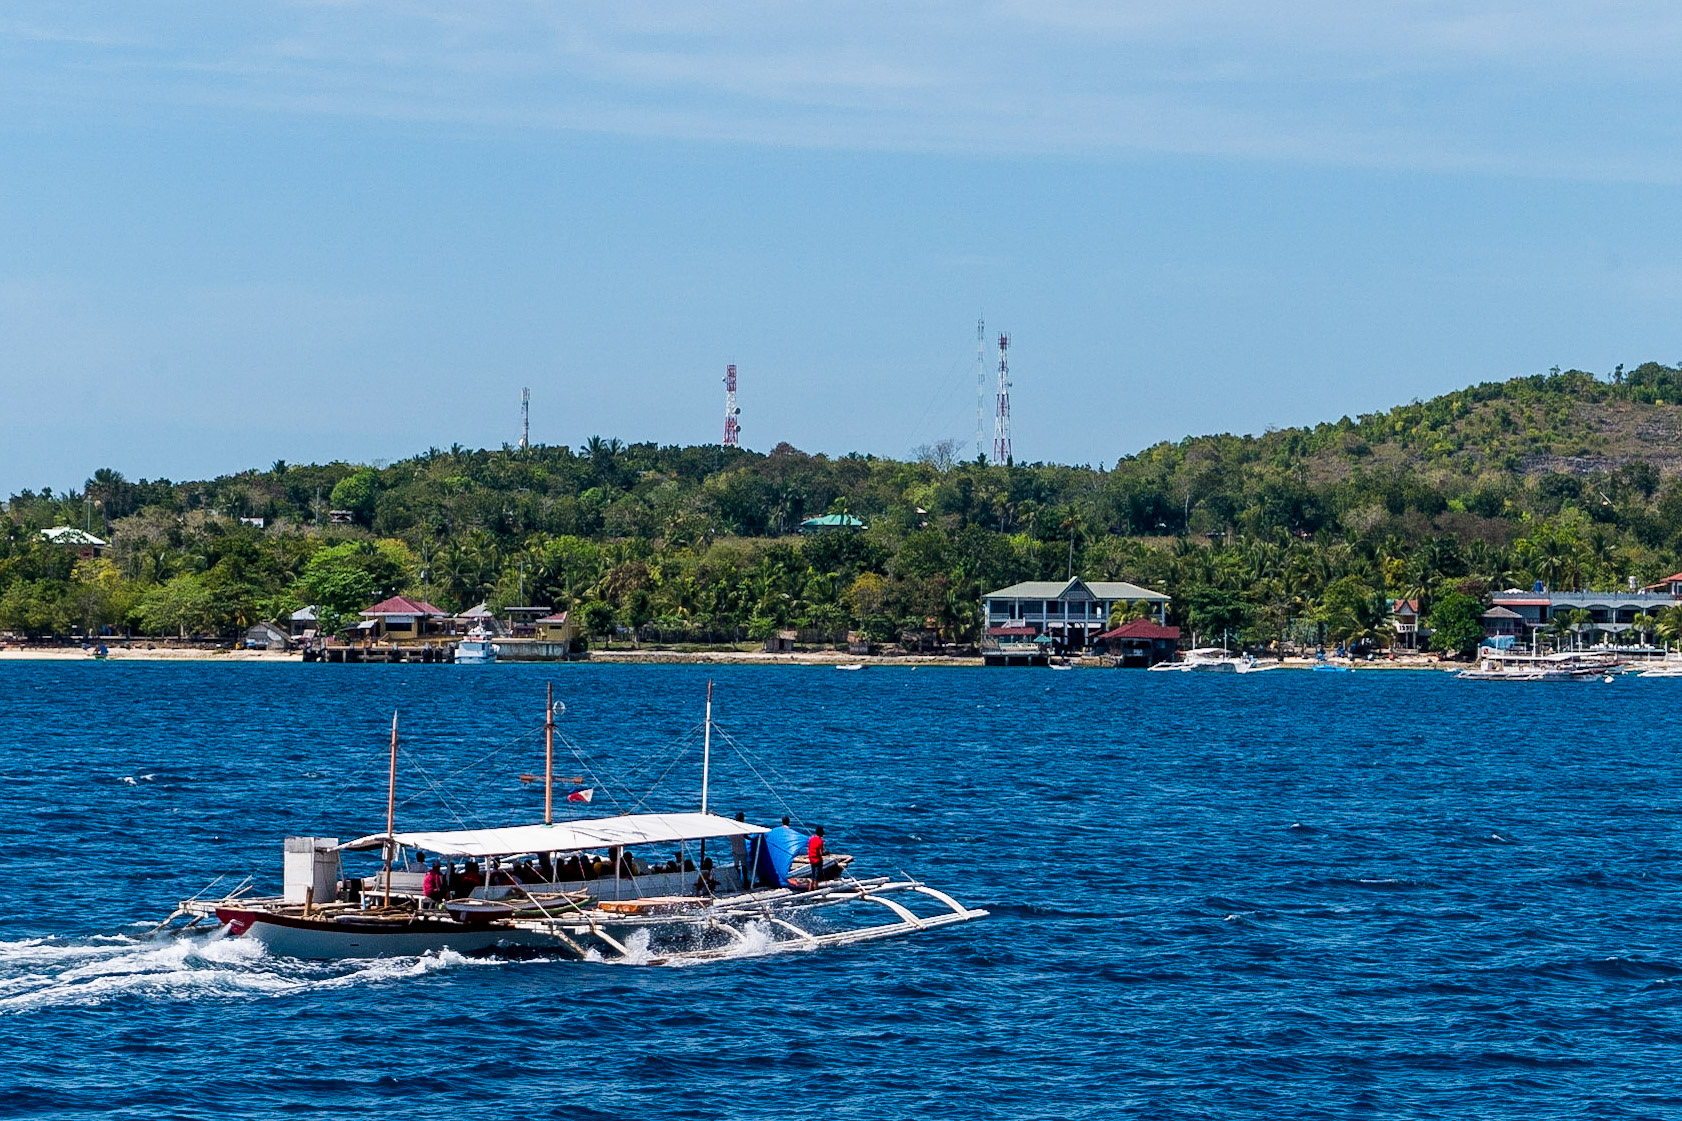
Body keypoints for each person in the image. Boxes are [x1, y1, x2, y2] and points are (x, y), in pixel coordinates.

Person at [729, 812, 750, 891]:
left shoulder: (732, 828)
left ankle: (738, 881)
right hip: (742, 849)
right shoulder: (742, 827)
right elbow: (746, 836)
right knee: (744, 866)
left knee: (737, 866)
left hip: (734, 849)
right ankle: (745, 882)